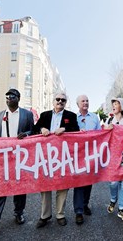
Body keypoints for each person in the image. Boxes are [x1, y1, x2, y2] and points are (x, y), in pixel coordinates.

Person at [0, 89, 34, 235]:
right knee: (0, 189)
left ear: (18, 98)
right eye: (7, 97)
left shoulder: (27, 115)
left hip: (21, 157)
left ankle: (18, 213)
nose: (9, 99)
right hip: (2, 158)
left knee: (20, 188)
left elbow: (33, 132)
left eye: (12, 96)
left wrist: (26, 134)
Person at [34, 92, 79, 228]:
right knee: (45, 185)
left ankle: (60, 214)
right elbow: (35, 129)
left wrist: (65, 129)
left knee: (62, 185)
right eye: (58, 99)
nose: (60, 102)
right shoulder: (44, 115)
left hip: (63, 156)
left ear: (66, 103)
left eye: (63, 100)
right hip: (45, 156)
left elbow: (76, 130)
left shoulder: (71, 116)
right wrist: (41, 128)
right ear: (53, 101)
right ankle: (45, 215)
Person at [73, 94, 101, 225]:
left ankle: (85, 204)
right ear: (78, 104)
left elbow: (100, 134)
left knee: (89, 181)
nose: (85, 103)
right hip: (77, 155)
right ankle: (78, 211)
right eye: (82, 101)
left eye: (87, 101)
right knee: (79, 182)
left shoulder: (94, 117)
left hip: (91, 154)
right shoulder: (73, 118)